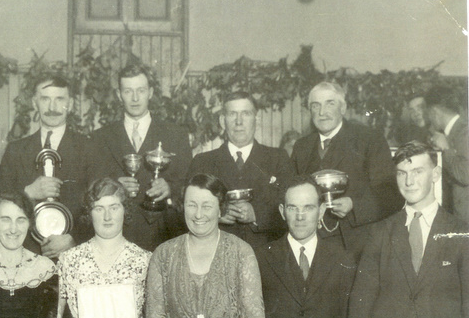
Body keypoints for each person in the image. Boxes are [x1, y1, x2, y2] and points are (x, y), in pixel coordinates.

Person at [345, 141, 469, 318]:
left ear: (435, 175)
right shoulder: (379, 233)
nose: (409, 181)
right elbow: (360, 305)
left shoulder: (461, 233)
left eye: (418, 172)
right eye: (402, 172)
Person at [137, 174, 271, 318]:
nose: (199, 214)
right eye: (192, 205)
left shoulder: (241, 252)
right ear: (182, 207)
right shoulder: (163, 254)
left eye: (207, 206)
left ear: (221, 210)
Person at [255, 177, 356, 318]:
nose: (300, 216)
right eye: (293, 208)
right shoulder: (261, 257)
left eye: (308, 208)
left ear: (321, 211)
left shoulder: (343, 258)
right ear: (282, 211)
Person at [57, 178, 151, 318]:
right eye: (99, 208)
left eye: (114, 207)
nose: (107, 216)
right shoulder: (69, 259)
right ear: (89, 213)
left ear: (124, 211)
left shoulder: (146, 260)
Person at [291, 81, 402, 257]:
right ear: (309, 110)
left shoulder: (369, 140)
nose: (322, 112)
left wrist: (354, 205)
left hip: (358, 246)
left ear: (343, 108)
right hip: (314, 246)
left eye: (330, 103)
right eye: (315, 105)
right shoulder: (301, 147)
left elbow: (392, 194)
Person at [91, 63, 192, 251]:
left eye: (141, 90)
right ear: (119, 95)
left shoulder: (176, 134)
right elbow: (91, 185)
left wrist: (170, 188)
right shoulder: (100, 137)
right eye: (128, 91)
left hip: (163, 236)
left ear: (151, 92)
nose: (135, 98)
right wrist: (113, 184)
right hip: (115, 237)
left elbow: (189, 182)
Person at [0, 75, 94, 258]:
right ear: (34, 103)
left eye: (59, 99)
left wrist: (74, 239)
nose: (52, 107)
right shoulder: (15, 151)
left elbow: (98, 205)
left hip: (74, 254)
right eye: (45, 99)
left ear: (70, 104)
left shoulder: (88, 148)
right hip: (24, 255)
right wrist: (27, 193)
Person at [188, 91, 294, 248]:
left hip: (266, 258)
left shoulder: (278, 158)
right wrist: (215, 214)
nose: (239, 121)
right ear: (223, 121)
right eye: (232, 114)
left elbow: (292, 208)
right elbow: (186, 210)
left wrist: (256, 214)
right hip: (215, 254)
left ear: (256, 119)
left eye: (246, 113)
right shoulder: (203, 162)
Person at [424, 85, 469, 223]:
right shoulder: (453, 132)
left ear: (434, 111)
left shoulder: (465, 131)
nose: (429, 119)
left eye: (428, 114)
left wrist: (445, 149)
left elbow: (465, 174)